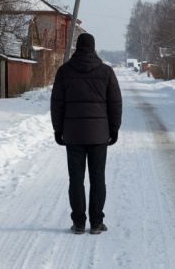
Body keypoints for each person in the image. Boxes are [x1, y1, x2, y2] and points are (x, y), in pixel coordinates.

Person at [51, 33, 122, 235]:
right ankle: (97, 223)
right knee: (98, 178)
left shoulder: (64, 71)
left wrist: (58, 129)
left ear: (77, 48)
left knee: (76, 179)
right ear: (93, 48)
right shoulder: (106, 72)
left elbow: (57, 104)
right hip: (99, 135)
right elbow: (115, 104)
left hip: (73, 135)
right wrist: (114, 129)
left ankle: (79, 223)